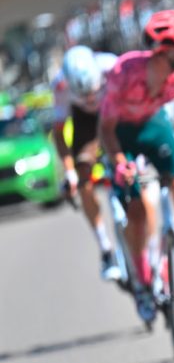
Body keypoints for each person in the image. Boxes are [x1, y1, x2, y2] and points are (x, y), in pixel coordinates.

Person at [99, 9, 174, 321]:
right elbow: (106, 130)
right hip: (121, 134)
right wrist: (118, 162)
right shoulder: (123, 72)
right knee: (137, 214)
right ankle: (142, 283)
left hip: (154, 125)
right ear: (168, 52)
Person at [52, 45, 121, 281]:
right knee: (83, 178)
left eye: (93, 91)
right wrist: (70, 171)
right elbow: (59, 133)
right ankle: (105, 249)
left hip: (114, 108)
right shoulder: (60, 85)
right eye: (84, 96)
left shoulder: (112, 66)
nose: (90, 98)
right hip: (85, 122)